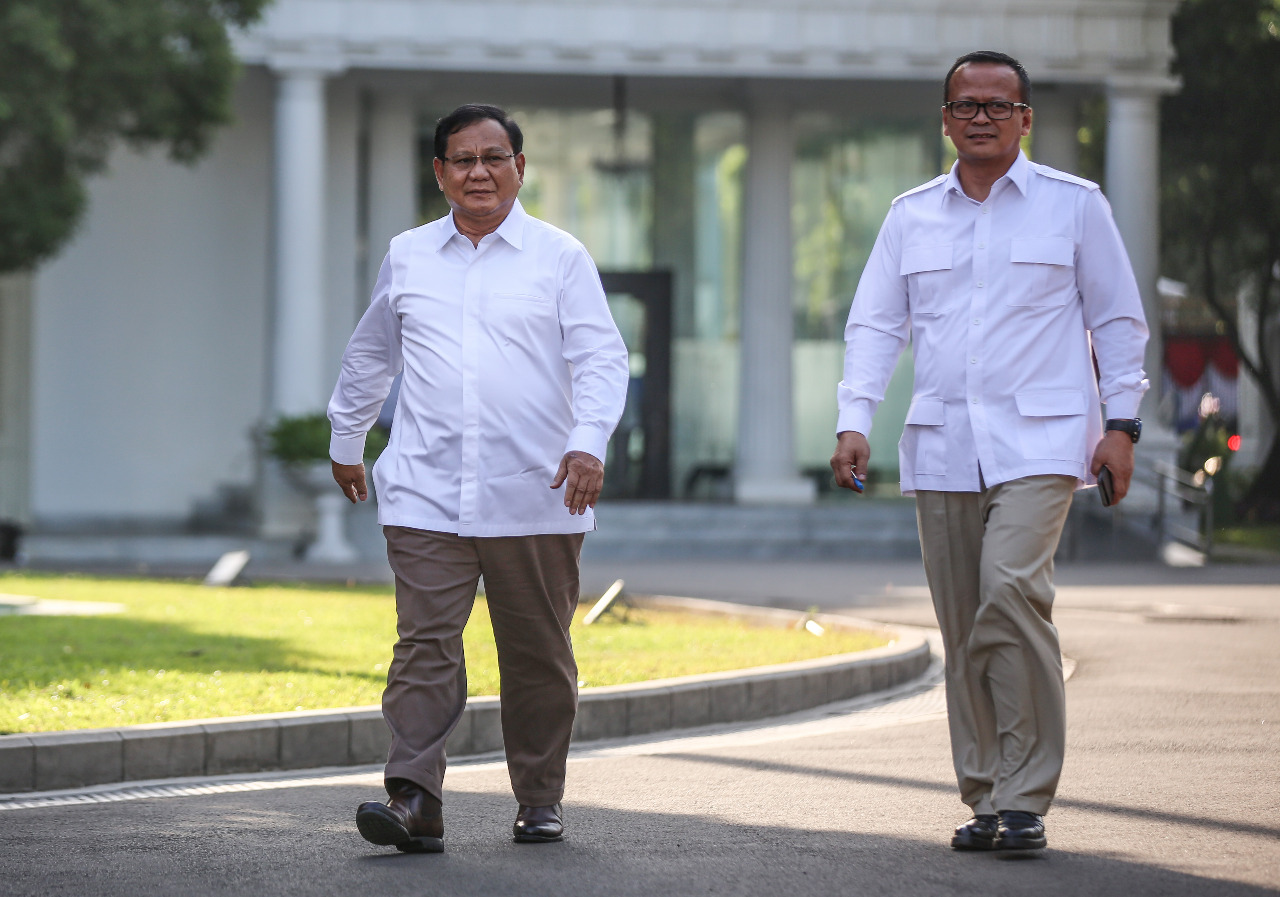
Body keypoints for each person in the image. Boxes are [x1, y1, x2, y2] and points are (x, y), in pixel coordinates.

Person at [830, 51, 1149, 852]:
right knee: (964, 624)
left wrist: (1124, 423)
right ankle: (986, 796)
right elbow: (875, 324)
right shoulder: (911, 215)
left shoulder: (1074, 206)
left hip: (1042, 440)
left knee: (1010, 592)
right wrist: (855, 418)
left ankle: (1027, 792)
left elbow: (1118, 321)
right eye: (965, 104)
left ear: (1024, 119)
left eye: (998, 106)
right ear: (944, 118)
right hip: (942, 444)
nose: (981, 116)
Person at [327, 104, 629, 852]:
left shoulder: (559, 256)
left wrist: (588, 442)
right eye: (462, 159)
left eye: (495, 157)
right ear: (439, 173)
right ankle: (412, 798)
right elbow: (373, 353)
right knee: (423, 646)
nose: (479, 172)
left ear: (520, 169)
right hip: (427, 489)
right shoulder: (408, 254)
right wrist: (346, 434)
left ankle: (538, 797)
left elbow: (601, 359)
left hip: (536, 492)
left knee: (535, 655)